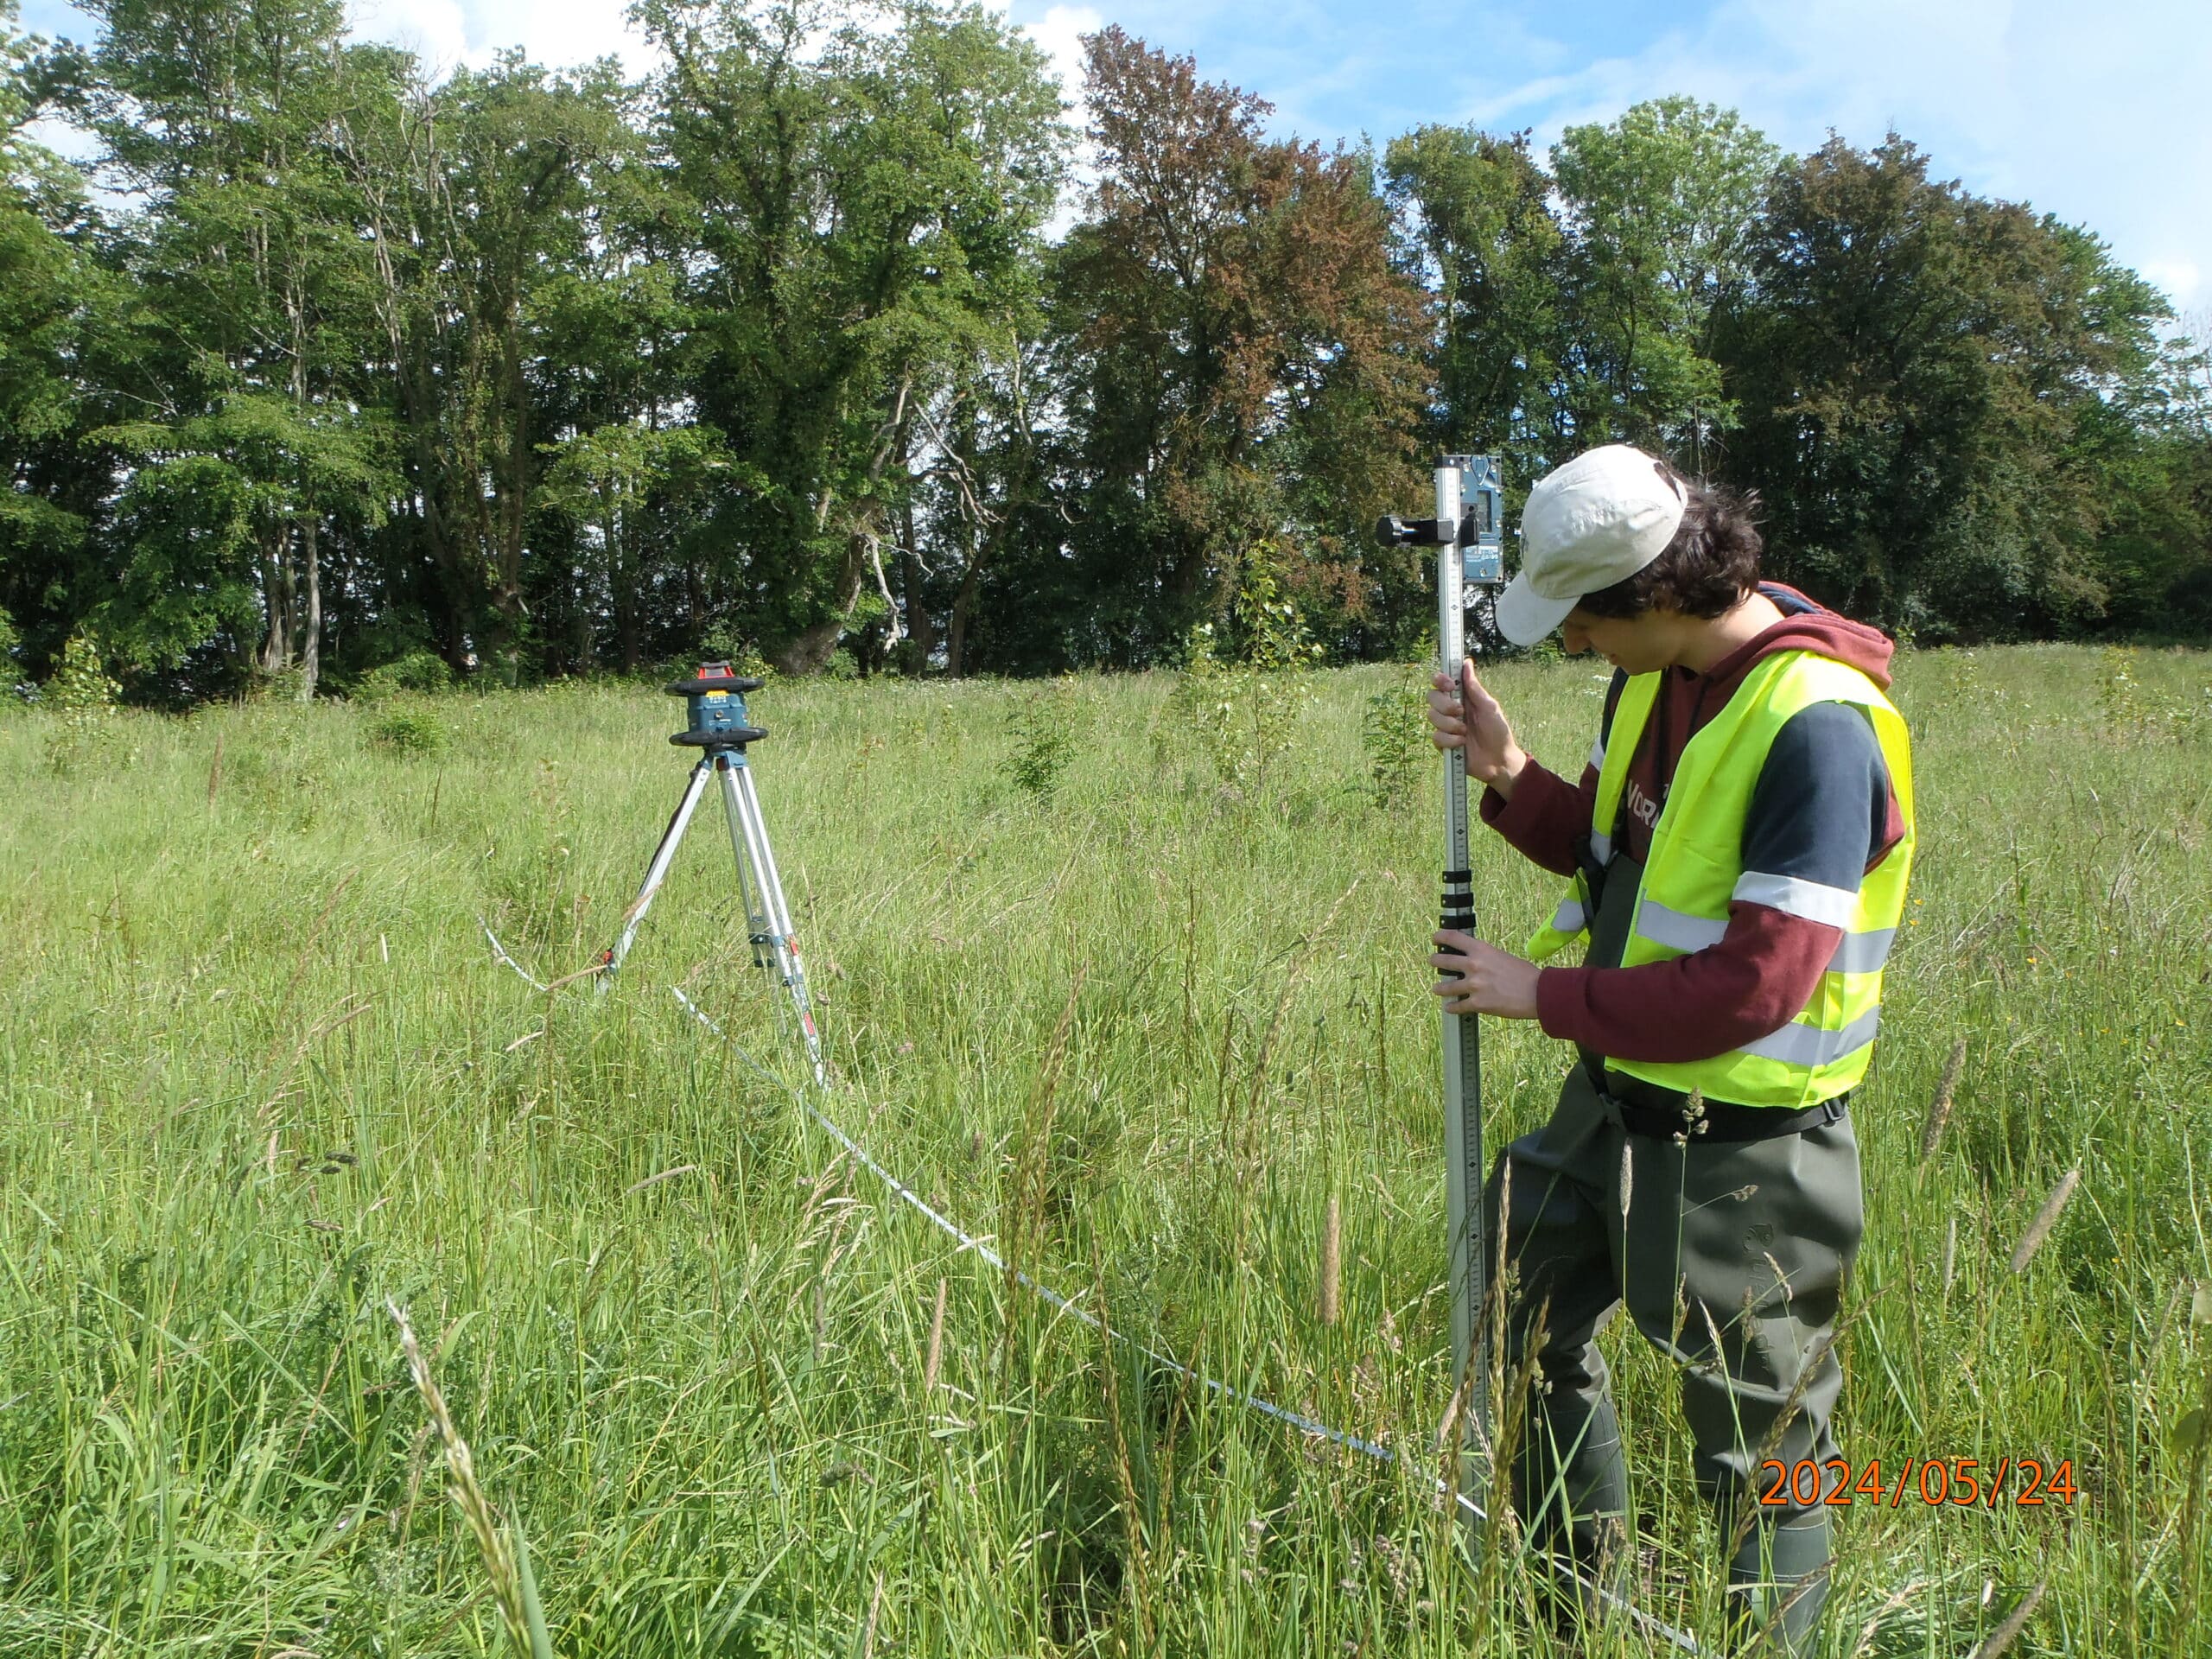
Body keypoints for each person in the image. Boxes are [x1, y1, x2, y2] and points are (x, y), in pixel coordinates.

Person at [1423, 443, 1915, 1656]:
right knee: (1519, 1305)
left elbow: (1759, 985)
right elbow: (1617, 860)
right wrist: (1507, 771)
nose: (1577, 648)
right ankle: (1567, 1610)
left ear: (1652, 594)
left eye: (1585, 623)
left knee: (1764, 1453)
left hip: (1747, 1152)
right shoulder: (1650, 681)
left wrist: (1540, 994)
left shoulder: (1820, 730)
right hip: (1613, 1103)